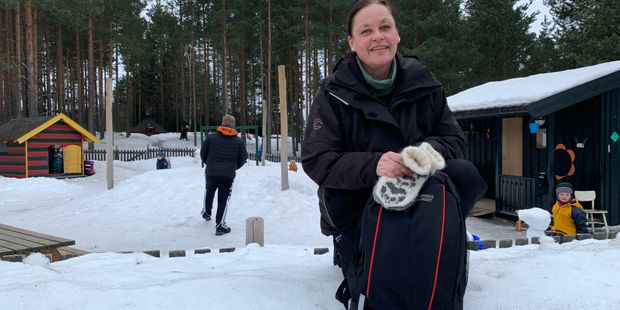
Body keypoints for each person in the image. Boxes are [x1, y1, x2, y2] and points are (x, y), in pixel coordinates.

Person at [301, 0, 484, 308]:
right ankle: (352, 249)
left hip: (418, 190)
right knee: (369, 276)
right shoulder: (332, 93)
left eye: (385, 27)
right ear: (352, 43)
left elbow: (454, 139)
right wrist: (375, 164)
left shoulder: (425, 83)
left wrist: (423, 155)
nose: (378, 37)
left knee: (466, 175)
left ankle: (435, 243)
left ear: (397, 34)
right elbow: (316, 159)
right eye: (366, 30)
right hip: (358, 202)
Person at [200, 114, 248, 235]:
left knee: (209, 191)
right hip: (228, 174)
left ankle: (206, 212)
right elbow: (243, 158)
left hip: (211, 172)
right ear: (233, 125)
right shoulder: (238, 141)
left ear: (222, 123)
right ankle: (220, 225)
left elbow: (203, 153)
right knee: (223, 199)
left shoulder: (211, 137)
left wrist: (210, 164)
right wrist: (233, 167)